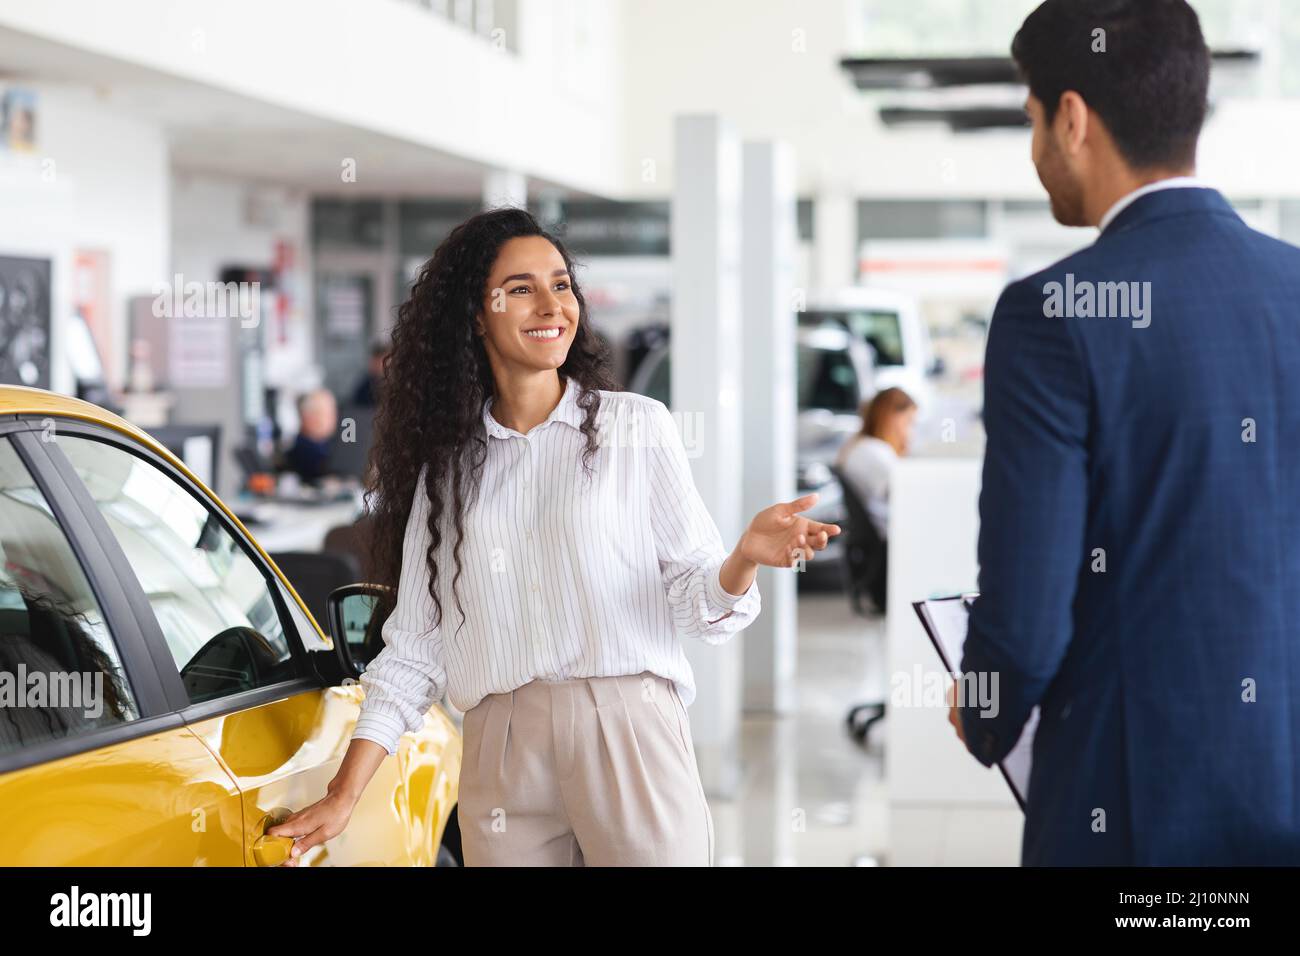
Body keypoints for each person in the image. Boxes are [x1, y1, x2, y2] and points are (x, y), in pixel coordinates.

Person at [270, 207, 841, 866]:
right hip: (501, 747)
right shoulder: (447, 471)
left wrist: (742, 559)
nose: (551, 304)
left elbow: (697, 602)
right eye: (520, 288)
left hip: (627, 732)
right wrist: (344, 794)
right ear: (476, 315)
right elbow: (414, 652)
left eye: (561, 284)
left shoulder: (637, 427)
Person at [947, 0, 1300, 865]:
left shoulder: (1051, 314)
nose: (1036, 153)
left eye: (1032, 120)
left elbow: (1027, 615)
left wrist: (984, 704)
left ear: (1071, 119)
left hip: (1135, 804)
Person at [835, 386, 917, 540]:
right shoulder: (875, 453)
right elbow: (907, 497)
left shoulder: (861, 446)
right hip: (885, 541)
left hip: (870, 542)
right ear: (892, 418)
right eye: (909, 421)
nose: (912, 432)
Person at [281, 388, 337, 484]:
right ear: (307, 417)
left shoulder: (331, 445)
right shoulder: (304, 450)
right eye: (327, 413)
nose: (333, 419)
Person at [350, 339, 388, 406]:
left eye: (380, 362)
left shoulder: (397, 386)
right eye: (375, 361)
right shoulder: (364, 386)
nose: (377, 365)